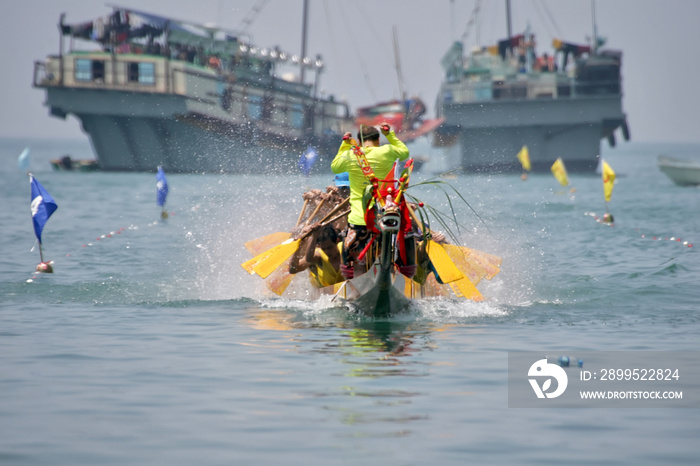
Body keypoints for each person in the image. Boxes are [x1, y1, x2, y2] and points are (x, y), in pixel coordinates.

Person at [331, 123, 410, 278]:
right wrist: (390, 135)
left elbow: (335, 167)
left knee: (348, 244)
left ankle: (349, 273)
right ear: (378, 139)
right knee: (405, 236)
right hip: (384, 216)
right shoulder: (387, 151)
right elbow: (404, 153)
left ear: (359, 142)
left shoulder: (351, 155)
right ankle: (399, 269)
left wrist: (345, 145)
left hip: (359, 219)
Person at [288, 224, 343, 289]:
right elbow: (293, 269)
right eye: (323, 248)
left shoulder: (344, 247)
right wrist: (298, 247)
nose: (327, 252)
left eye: (329, 247)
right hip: (324, 295)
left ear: (337, 241)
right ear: (319, 246)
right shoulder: (318, 255)